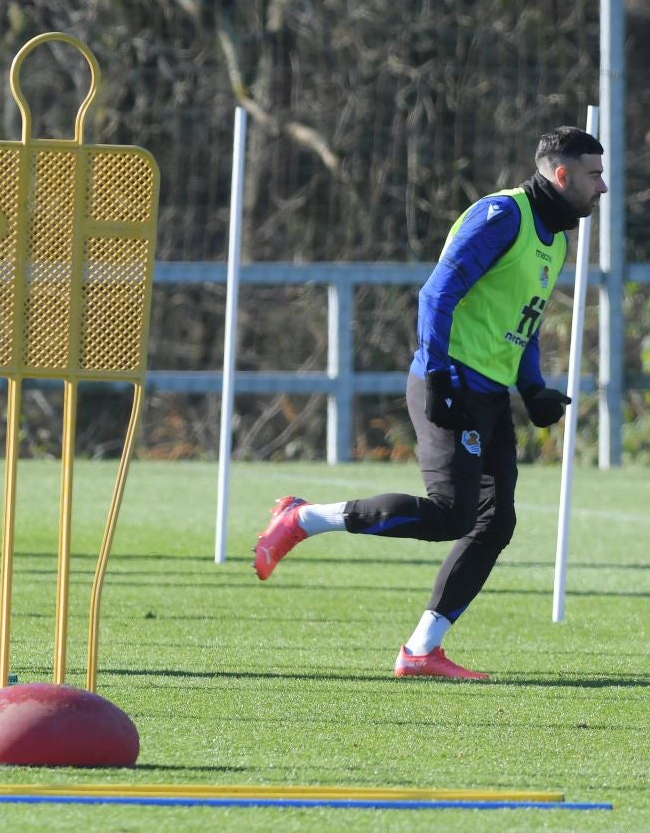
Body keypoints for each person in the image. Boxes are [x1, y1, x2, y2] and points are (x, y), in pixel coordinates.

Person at [250, 126, 602, 679]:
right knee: (450, 514)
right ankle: (304, 518)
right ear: (562, 176)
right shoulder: (501, 215)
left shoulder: (556, 239)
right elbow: (438, 292)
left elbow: (523, 323)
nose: (601, 188)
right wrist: (437, 373)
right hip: (452, 382)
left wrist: (531, 387)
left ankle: (421, 649)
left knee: (493, 523)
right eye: (593, 176)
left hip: (490, 395)